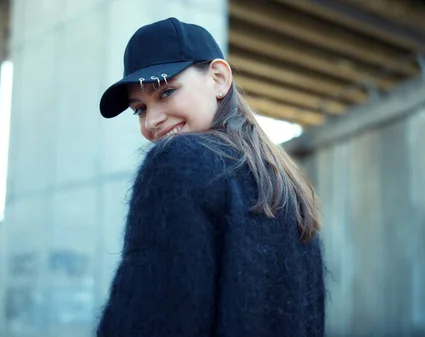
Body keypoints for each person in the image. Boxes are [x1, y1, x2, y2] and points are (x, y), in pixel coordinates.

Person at [96, 17, 326, 337]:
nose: (153, 121)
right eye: (140, 109)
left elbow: (151, 320)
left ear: (218, 78)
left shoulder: (176, 163)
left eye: (165, 92)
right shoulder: (283, 185)